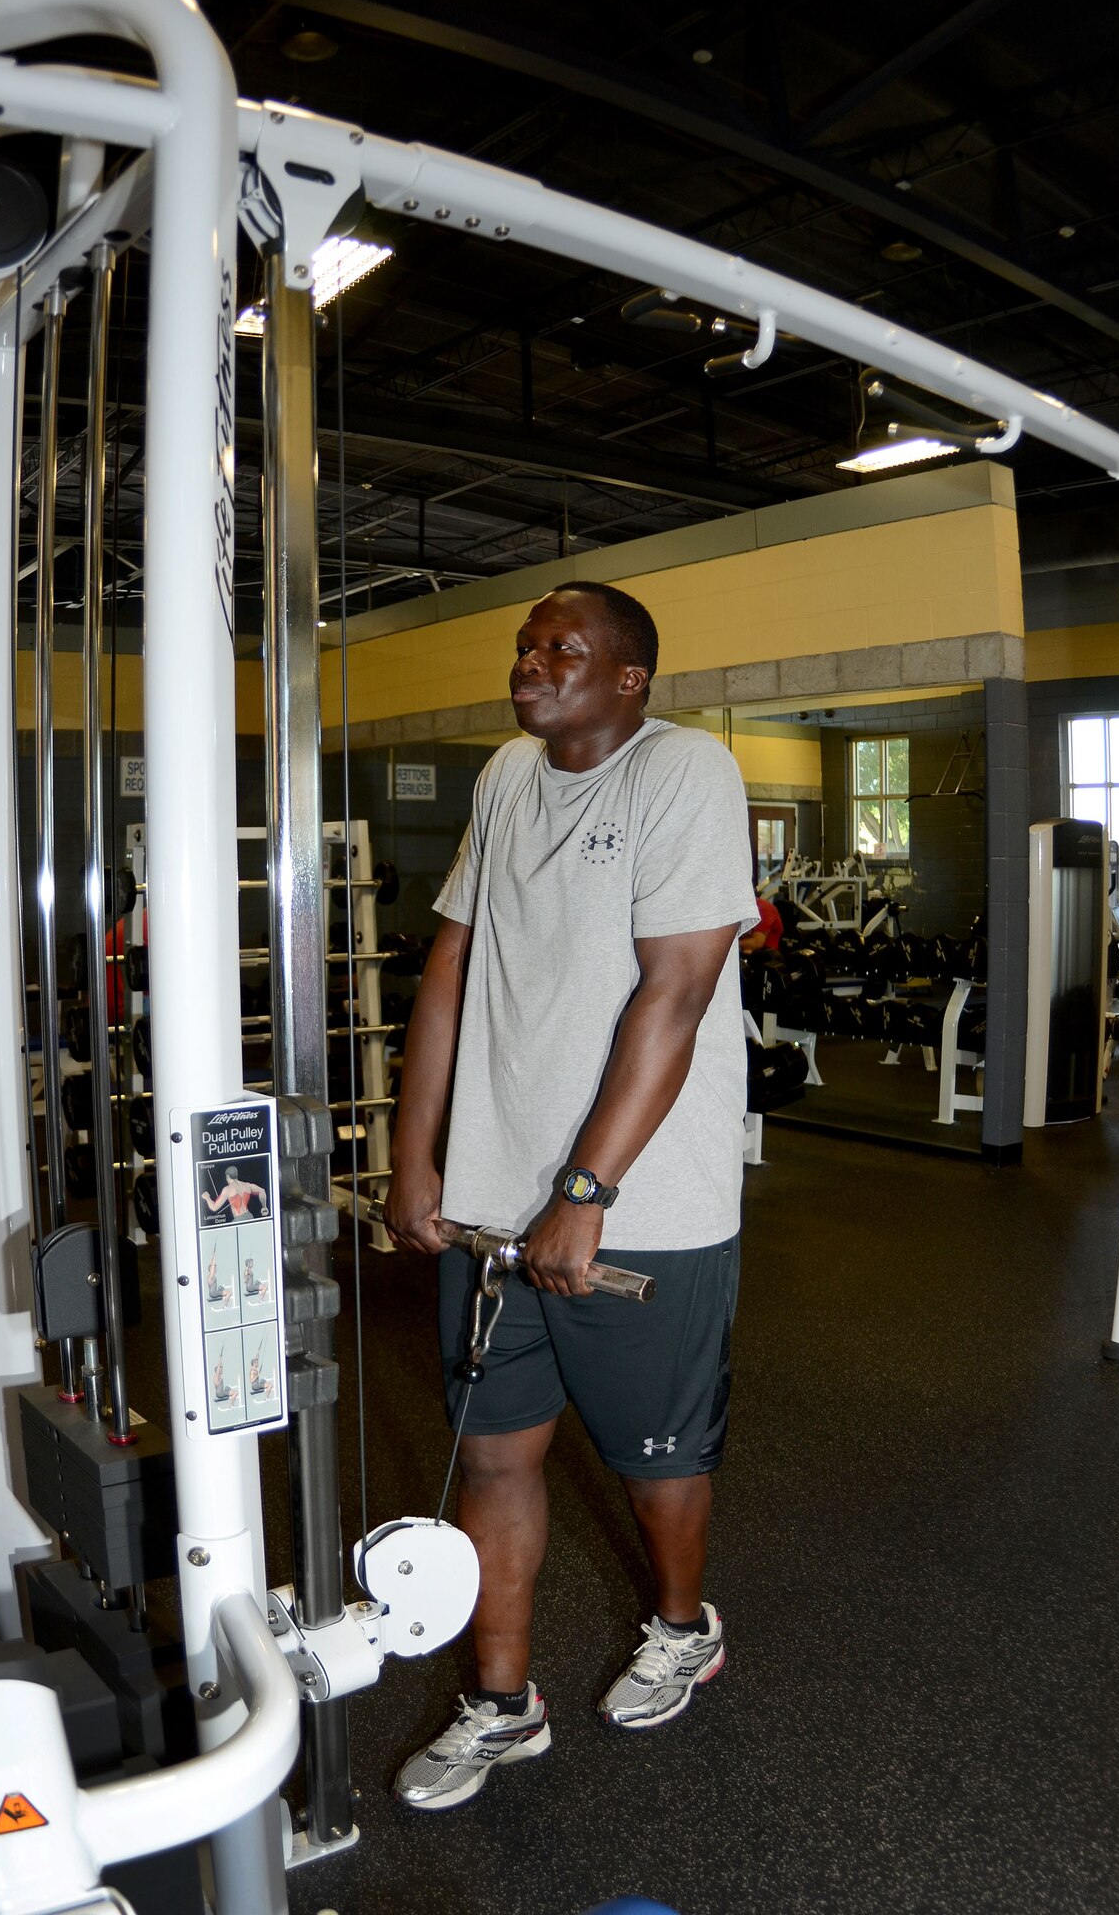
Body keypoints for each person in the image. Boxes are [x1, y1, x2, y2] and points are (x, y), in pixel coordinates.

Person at [384, 581, 756, 1811]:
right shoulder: (503, 775)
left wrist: (586, 1187)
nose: (532, 662)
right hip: (494, 1196)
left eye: (563, 647)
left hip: (641, 1207)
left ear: (630, 676)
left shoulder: (684, 771)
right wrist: (415, 1154)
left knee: (656, 1461)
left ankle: (682, 1621)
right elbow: (449, 961)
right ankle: (501, 1700)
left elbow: (677, 993)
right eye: (527, 644)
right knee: (495, 1454)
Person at [200, 1165, 269, 1221]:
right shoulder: (247, 1185)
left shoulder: (228, 1189)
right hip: (249, 1216)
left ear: (227, 1176)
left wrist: (207, 1197)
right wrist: (264, 1207)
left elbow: (214, 1207)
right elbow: (262, 1191)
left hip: (239, 1219)